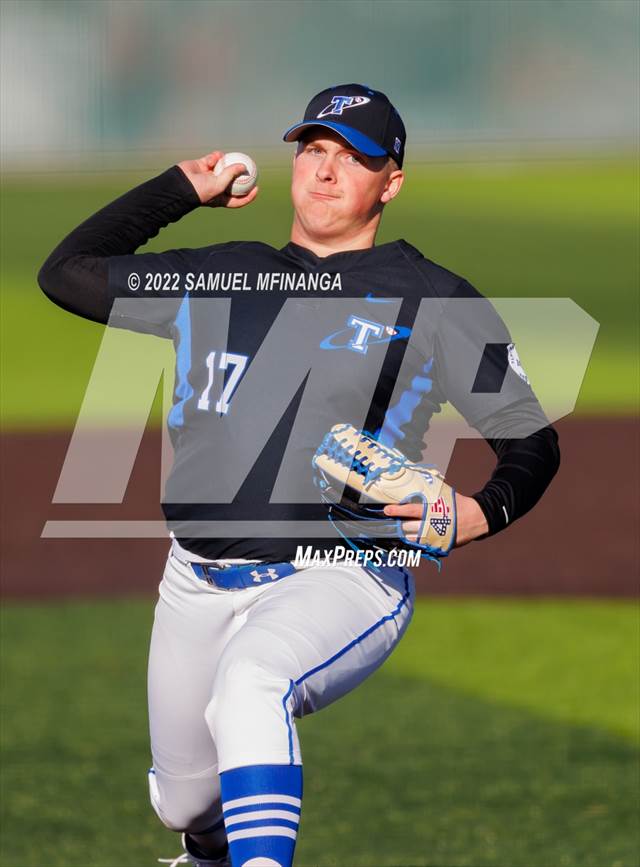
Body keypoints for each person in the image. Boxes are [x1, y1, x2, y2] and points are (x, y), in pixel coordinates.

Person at [38, 84, 560, 867]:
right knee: (182, 801)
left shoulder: (432, 299)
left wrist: (483, 510)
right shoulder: (223, 274)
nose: (325, 170)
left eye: (353, 157)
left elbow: (530, 438)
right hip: (194, 576)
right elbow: (66, 273)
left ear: (392, 182)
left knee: (253, 684)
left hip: (342, 571)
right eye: (314, 149)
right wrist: (180, 188)